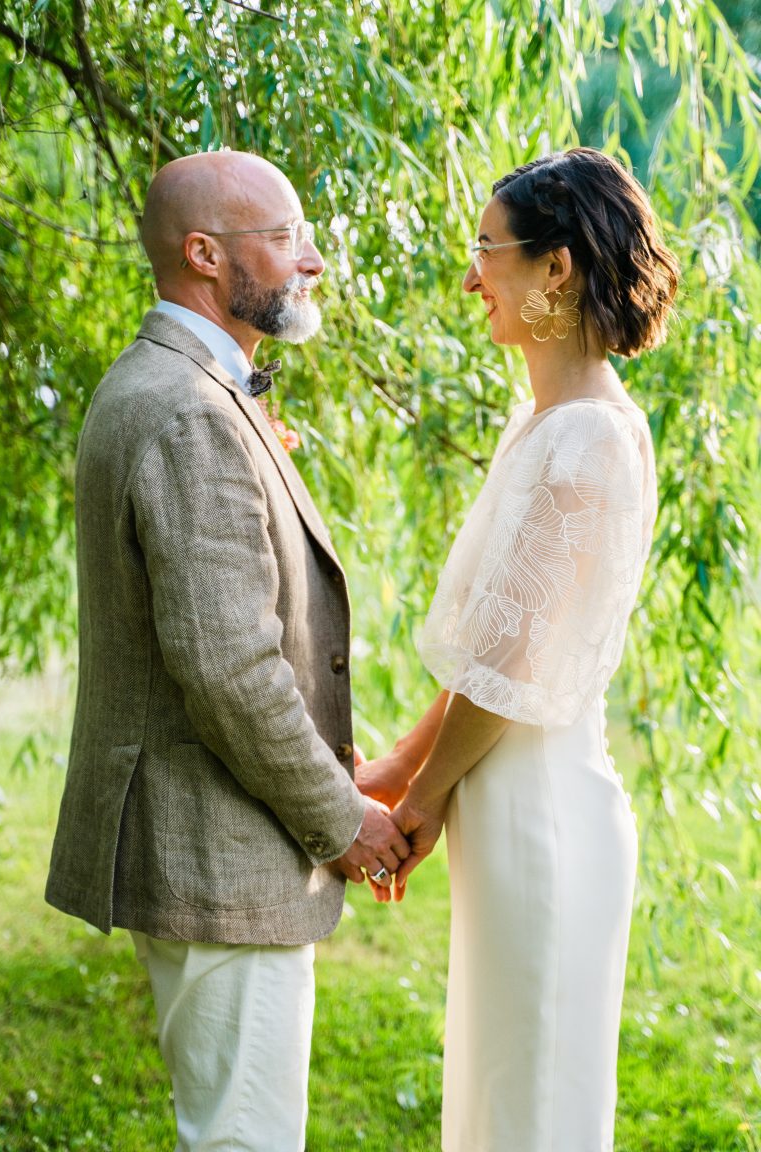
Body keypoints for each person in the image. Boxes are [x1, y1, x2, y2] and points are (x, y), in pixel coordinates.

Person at [45, 150, 410, 1152]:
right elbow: (228, 668)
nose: (315, 263)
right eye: (288, 237)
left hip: (215, 838)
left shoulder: (182, 384)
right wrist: (344, 823)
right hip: (219, 851)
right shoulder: (189, 409)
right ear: (205, 255)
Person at [358, 148, 679, 1151]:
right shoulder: (542, 422)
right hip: (505, 801)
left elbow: (509, 676)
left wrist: (419, 803)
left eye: (486, 251)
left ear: (558, 268)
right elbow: (488, 651)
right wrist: (398, 771)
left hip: (540, 814)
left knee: (532, 1108)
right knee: (499, 1093)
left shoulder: (586, 441)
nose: (468, 278)